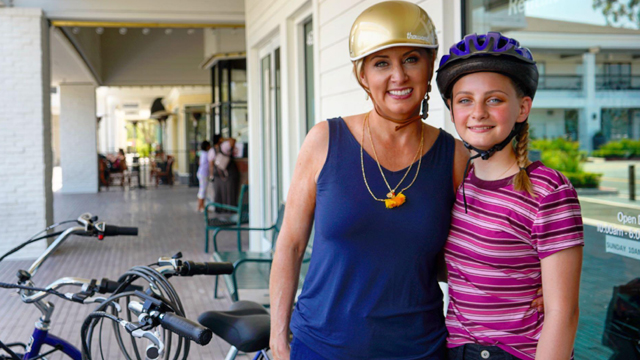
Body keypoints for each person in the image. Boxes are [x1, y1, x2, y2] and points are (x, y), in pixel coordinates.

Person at [269, 2, 470, 359]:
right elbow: (291, 245)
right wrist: (278, 340)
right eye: (381, 63)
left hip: (418, 350)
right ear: (362, 74)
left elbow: (457, 258)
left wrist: (523, 283)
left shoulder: (453, 156)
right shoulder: (324, 140)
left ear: (430, 64)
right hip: (321, 345)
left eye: (411, 59)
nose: (399, 76)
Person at [435, 32, 584, 359]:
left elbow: (563, 314)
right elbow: (462, 268)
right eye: (465, 100)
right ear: (451, 109)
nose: (478, 112)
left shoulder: (549, 191)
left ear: (522, 108)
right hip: (456, 349)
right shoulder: (461, 184)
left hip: (517, 353)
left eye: (494, 99)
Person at [211, 134, 240, 210]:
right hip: (228, 173)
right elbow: (233, 140)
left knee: (219, 193)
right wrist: (224, 139)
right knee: (229, 192)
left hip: (218, 174)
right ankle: (230, 209)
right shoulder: (224, 146)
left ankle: (220, 209)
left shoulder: (212, 150)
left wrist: (211, 176)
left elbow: (210, 165)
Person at [197, 140, 211, 212]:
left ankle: (200, 206)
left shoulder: (202, 153)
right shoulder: (206, 154)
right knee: (202, 190)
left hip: (201, 173)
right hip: (204, 174)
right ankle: (201, 207)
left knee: (202, 190)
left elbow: (200, 163)